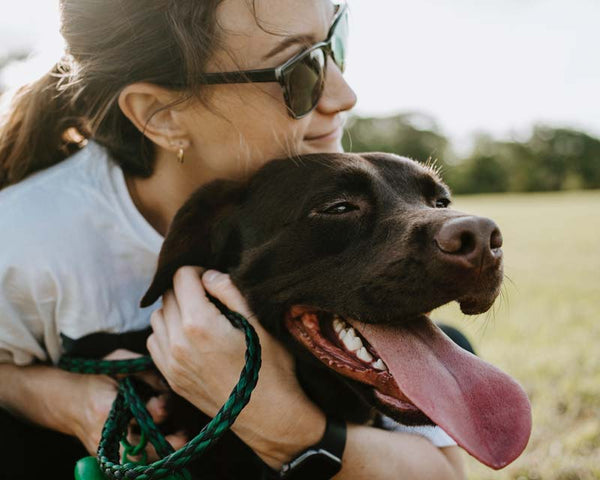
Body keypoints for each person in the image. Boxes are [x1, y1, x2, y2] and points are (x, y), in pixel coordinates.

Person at [0, 1, 465, 478]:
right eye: (298, 69)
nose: (345, 94)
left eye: (335, 43)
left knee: (447, 339)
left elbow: (441, 474)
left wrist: (276, 417)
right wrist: (69, 403)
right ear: (161, 114)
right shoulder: (23, 240)